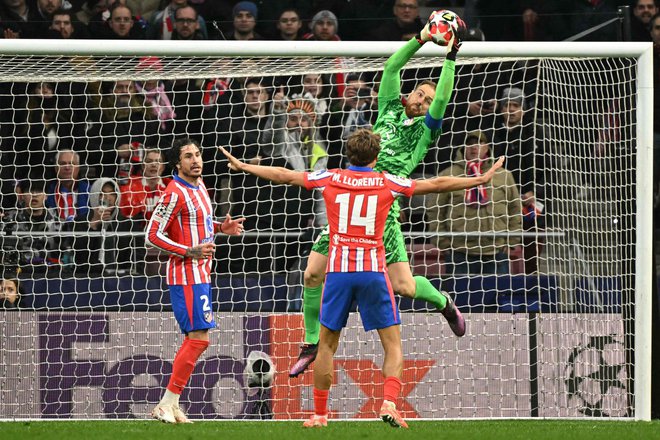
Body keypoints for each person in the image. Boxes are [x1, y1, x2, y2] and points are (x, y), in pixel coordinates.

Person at [220, 129, 504, 428]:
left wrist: (245, 166)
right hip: (372, 271)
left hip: (339, 272)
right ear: (376, 157)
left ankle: (319, 414)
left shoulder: (330, 177)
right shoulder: (386, 181)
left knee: (327, 346)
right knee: (392, 346)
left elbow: (285, 175)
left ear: (348, 154)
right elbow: (434, 184)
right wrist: (479, 179)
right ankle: (389, 403)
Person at [289, 12, 467, 378]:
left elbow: (443, 98)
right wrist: (420, 38)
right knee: (311, 275)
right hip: (350, 199)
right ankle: (309, 342)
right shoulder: (388, 108)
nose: (422, 101)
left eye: (428, 100)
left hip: (384, 209)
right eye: (420, 93)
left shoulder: (423, 131)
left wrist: (450, 56)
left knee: (403, 285)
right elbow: (391, 67)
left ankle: (442, 302)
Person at [146, 138, 244, 424]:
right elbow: (152, 235)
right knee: (199, 339)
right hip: (186, 274)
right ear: (177, 164)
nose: (196, 160)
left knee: (196, 338)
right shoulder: (174, 191)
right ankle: (166, 402)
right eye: (188, 156)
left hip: (202, 273)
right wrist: (188, 251)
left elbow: (197, 223)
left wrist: (220, 228)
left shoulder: (200, 185)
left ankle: (172, 404)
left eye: (198, 154)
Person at [427, 130, 522, 275]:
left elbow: (515, 208)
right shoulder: (448, 175)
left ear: (487, 147)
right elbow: (435, 210)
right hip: (459, 251)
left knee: (497, 296)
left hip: (496, 250)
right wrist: (443, 242)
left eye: (479, 143)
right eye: (469, 144)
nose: (473, 147)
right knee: (460, 295)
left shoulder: (504, 175)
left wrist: (511, 241)